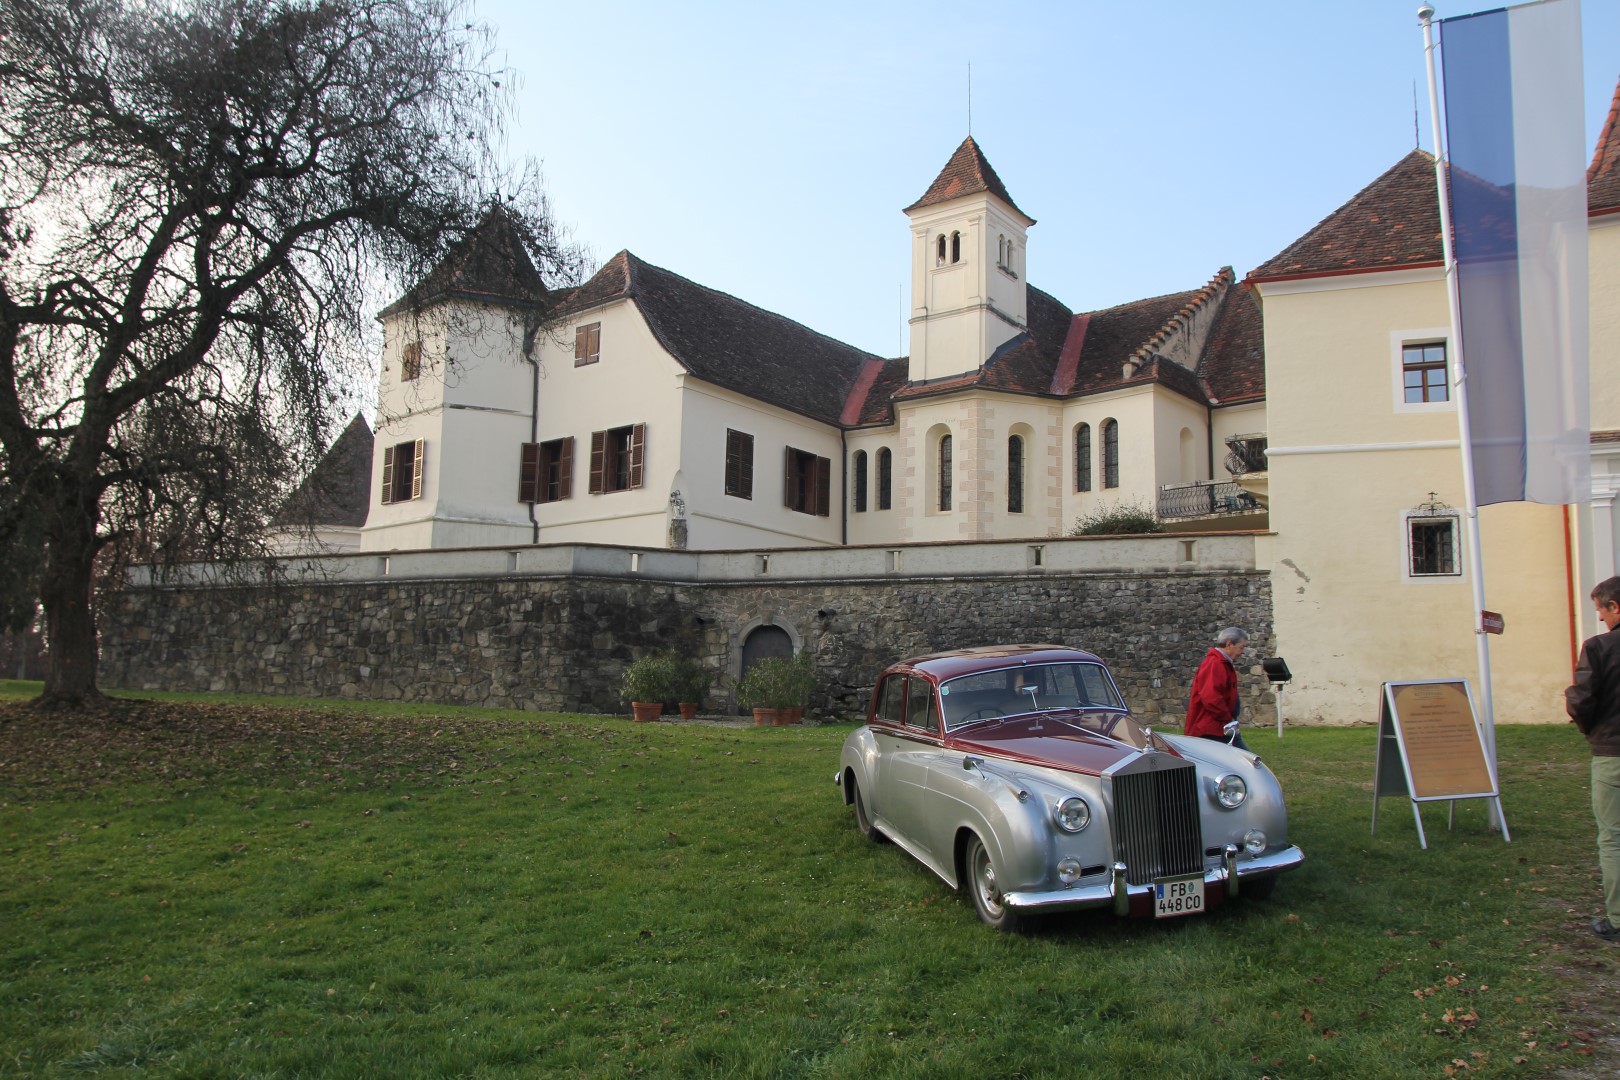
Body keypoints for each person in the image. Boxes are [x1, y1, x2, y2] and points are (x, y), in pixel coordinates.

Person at [1567, 576, 1620, 942]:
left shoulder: (1599, 648)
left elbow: (1581, 701)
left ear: (1614, 607)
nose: (1599, 617)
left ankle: (1617, 919)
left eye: (1600, 609)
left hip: (1612, 753)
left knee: (1613, 837)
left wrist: (1590, 730)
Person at [1186, 626, 1250, 752]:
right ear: (1229, 644)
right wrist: (1227, 718)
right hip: (1212, 729)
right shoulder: (1214, 664)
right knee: (1246, 761)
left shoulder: (1221, 663)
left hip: (1219, 727)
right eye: (1241, 647)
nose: (1241, 652)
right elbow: (1211, 697)